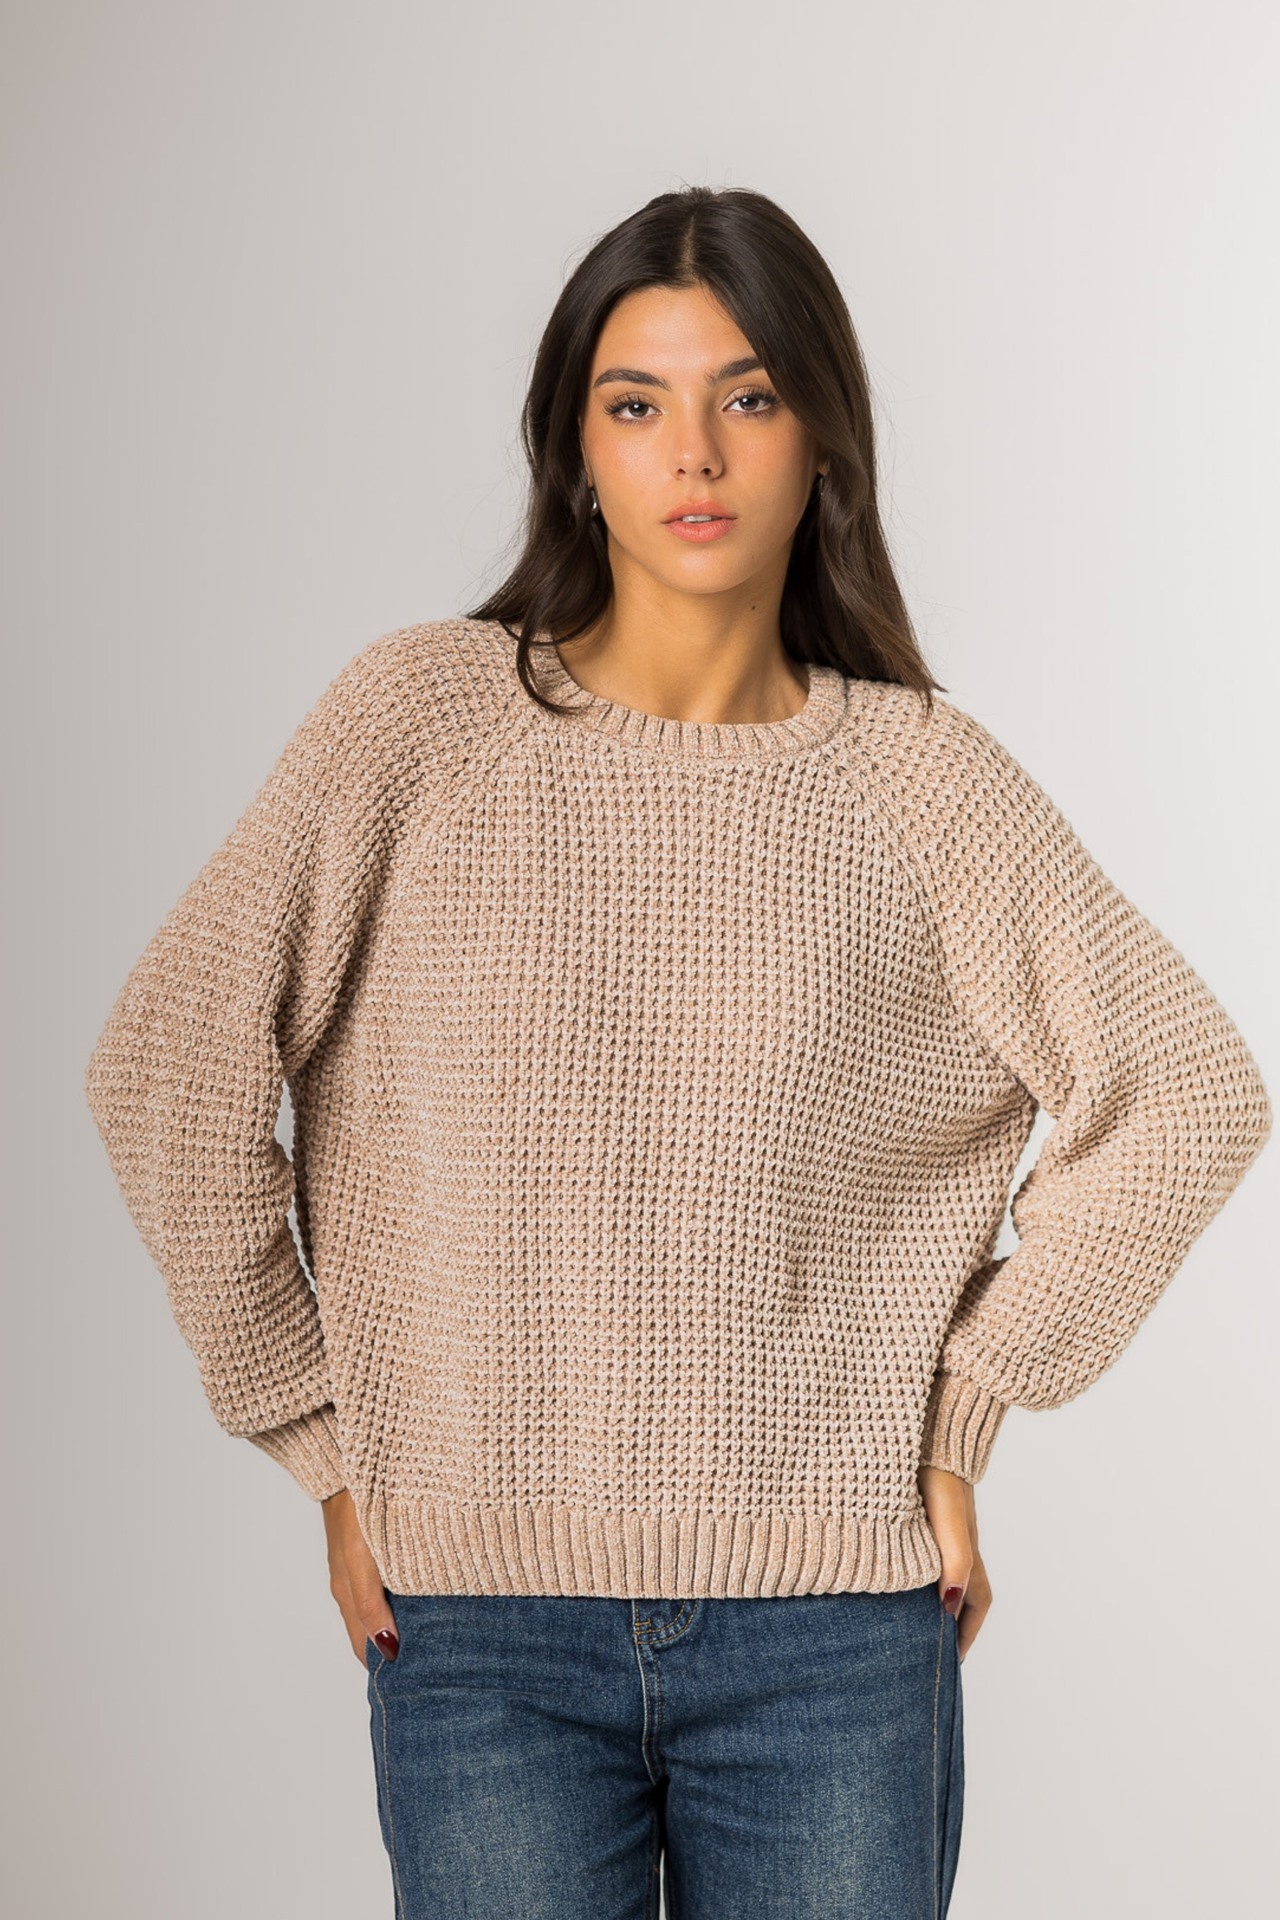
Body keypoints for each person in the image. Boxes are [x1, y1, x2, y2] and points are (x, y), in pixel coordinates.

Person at [83, 186, 1271, 1920]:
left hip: (832, 1636)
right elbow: (166, 1069)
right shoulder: (416, 726)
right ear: (575, 451)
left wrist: (965, 1414)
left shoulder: (921, 784)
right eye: (636, 403)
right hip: (477, 1629)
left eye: (751, 396)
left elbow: (1188, 1094)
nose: (694, 453)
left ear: (823, 441)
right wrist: (323, 1445)